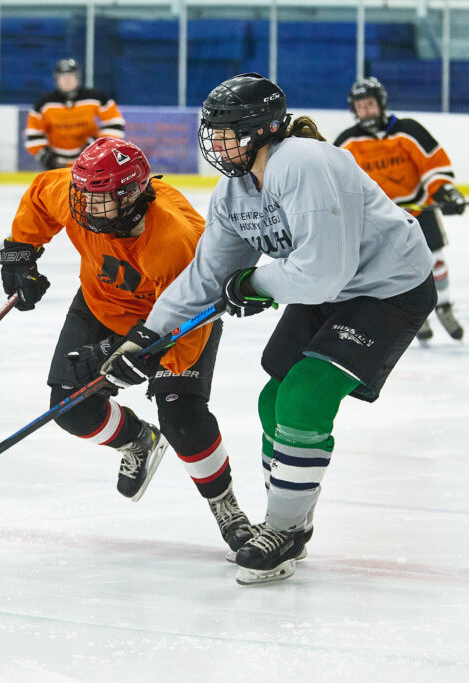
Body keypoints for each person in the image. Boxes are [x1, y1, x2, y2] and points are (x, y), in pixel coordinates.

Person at [100, 73, 437, 586]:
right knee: (270, 400)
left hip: (387, 288)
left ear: (263, 129)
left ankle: (282, 529)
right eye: (213, 132)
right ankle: (290, 524)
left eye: (228, 131)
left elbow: (324, 272)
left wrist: (255, 281)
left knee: (303, 397)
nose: (216, 142)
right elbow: (208, 275)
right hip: (329, 287)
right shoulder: (234, 191)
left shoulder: (303, 162)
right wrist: (148, 337)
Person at [0, 137, 254, 554]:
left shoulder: (175, 240)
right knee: (71, 411)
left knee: (183, 418)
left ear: (132, 196)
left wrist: (127, 356)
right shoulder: (81, 195)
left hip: (176, 321)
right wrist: (20, 253)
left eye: (99, 201)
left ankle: (227, 508)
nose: (85, 208)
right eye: (84, 196)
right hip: (99, 305)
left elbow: (185, 339)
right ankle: (138, 439)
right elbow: (43, 193)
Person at [334, 76, 465, 342]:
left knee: (435, 259)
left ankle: (445, 306)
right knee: (396, 269)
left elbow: (433, 166)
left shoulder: (409, 131)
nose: (366, 111)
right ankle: (420, 312)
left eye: (370, 104)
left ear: (381, 104)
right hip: (379, 220)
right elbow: (338, 182)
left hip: (419, 210)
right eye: (360, 107)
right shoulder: (347, 142)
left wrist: (445, 191)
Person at [23, 59, 125, 171]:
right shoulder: (44, 103)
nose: (67, 81)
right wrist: (47, 157)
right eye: (63, 77)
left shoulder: (95, 97)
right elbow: (33, 133)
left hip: (91, 162)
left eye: (71, 77)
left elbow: (115, 123)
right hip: (56, 164)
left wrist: (97, 146)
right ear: (57, 79)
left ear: (78, 78)